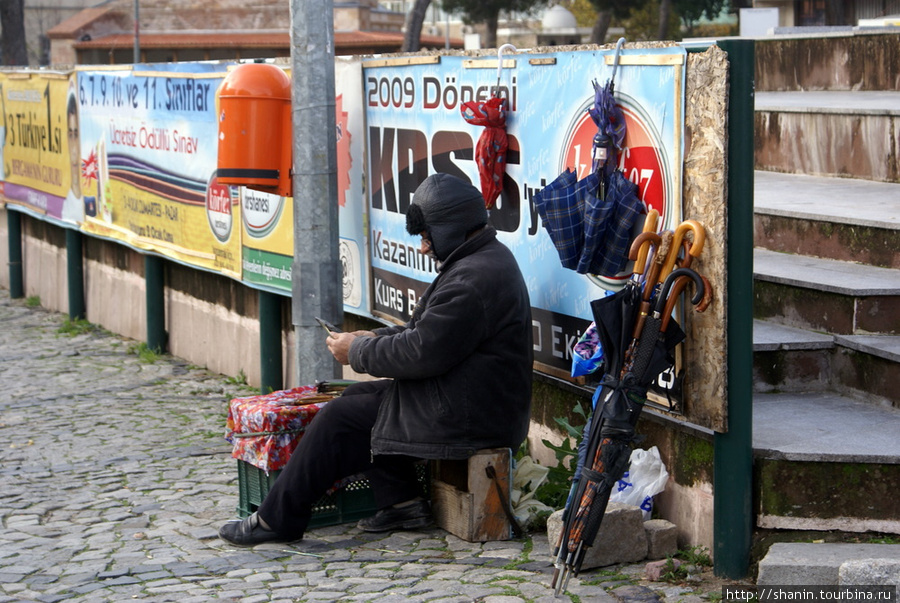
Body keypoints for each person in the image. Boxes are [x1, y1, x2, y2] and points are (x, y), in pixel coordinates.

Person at [219, 173, 533, 545]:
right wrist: (373, 338)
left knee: (339, 418)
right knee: (355, 400)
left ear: (449, 229)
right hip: (468, 399)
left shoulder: (473, 277)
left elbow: (420, 353)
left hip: (475, 416)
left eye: (427, 237)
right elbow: (426, 333)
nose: (423, 248)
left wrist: (356, 352)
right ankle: (401, 501)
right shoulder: (479, 259)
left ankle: (276, 520)